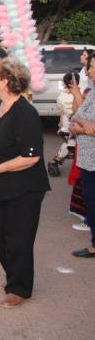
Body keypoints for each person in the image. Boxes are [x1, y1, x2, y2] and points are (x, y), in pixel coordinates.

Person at [0, 58, 50, 308]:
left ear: (6, 81)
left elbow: (31, 157)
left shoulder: (26, 113)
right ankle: (15, 275)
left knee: (19, 236)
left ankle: (19, 287)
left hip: (25, 185)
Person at [70, 52, 95, 258]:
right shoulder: (92, 91)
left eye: (93, 67)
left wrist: (83, 126)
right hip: (87, 159)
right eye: (90, 67)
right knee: (90, 201)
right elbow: (75, 117)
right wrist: (83, 126)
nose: (89, 71)